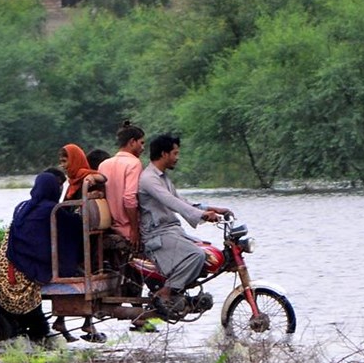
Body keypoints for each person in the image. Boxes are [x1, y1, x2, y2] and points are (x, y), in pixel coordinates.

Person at [138, 134, 231, 316]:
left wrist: (213, 208)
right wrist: (203, 215)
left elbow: (182, 201)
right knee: (197, 255)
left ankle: (179, 292)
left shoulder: (163, 178)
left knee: (207, 253)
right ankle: (165, 293)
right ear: (164, 154)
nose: (177, 157)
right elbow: (172, 203)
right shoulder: (149, 179)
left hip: (172, 231)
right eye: (175, 153)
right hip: (157, 235)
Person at [0, 172, 83, 342]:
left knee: (37, 326)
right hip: (23, 270)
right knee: (39, 328)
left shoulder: (22, 206)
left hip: (8, 262)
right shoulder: (51, 210)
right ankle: (37, 334)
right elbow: (74, 228)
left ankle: (36, 333)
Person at [54, 143, 108, 343]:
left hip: (80, 234)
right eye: (61, 161)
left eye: (65, 160)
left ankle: (78, 322)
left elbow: (101, 178)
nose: (63, 165)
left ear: (75, 159)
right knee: (80, 272)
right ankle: (83, 322)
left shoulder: (86, 177)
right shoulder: (73, 182)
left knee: (83, 270)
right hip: (74, 234)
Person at [97, 120, 147, 329]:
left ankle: (135, 312)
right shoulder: (134, 164)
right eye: (141, 143)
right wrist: (135, 229)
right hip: (127, 227)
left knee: (126, 268)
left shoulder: (104, 164)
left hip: (111, 226)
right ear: (132, 142)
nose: (143, 148)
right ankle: (141, 311)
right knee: (146, 265)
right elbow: (129, 199)